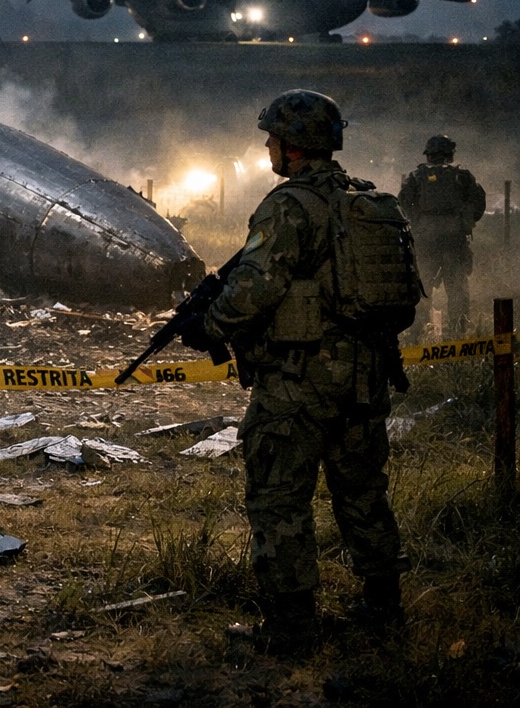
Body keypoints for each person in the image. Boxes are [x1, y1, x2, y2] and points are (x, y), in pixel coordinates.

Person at [184, 90, 413, 656]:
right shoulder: (367, 200)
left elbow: (253, 289)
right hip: (365, 377)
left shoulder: (288, 206)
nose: (267, 147)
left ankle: (291, 628)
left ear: (293, 147)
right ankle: (384, 610)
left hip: (297, 380)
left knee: (279, 499)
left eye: (272, 138)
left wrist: (209, 326)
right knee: (363, 492)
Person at [398, 134, 486, 333]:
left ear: (428, 154)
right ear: (450, 153)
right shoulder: (462, 175)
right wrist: (464, 223)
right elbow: (479, 201)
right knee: (457, 289)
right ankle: (457, 331)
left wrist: (418, 223)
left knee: (422, 288)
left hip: (425, 241)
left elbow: (402, 203)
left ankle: (416, 332)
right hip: (454, 241)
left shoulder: (416, 177)